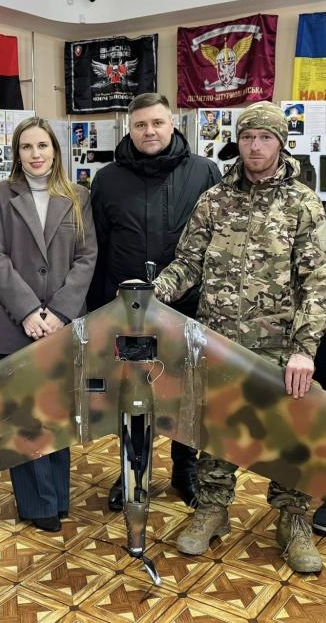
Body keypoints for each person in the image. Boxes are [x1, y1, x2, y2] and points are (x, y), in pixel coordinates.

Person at [154, 101, 326, 573]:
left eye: (265, 138)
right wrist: (153, 293)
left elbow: (319, 281)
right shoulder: (214, 200)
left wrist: (305, 350)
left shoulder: (302, 203)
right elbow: (188, 262)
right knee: (217, 427)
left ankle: (293, 520)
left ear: (281, 144)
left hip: (280, 348)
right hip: (220, 343)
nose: (255, 146)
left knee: (289, 433)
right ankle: (213, 509)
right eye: (248, 137)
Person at [87, 92, 221, 511]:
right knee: (132, 392)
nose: (149, 131)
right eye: (141, 124)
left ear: (172, 123)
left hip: (187, 304)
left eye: (157, 123)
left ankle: (185, 469)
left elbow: (217, 242)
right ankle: (132, 471)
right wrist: (97, 310)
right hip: (127, 311)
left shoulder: (203, 172)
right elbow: (97, 246)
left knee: (187, 392)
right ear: (129, 128)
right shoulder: (107, 179)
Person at [0, 117, 96, 532]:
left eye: (43, 146)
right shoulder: (0, 195)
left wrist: (60, 312)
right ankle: (36, 503)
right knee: (23, 416)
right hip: (15, 325)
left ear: (55, 150)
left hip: (63, 324)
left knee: (58, 414)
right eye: (26, 147)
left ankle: (57, 497)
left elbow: (86, 257)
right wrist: (29, 311)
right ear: (17, 153)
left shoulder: (78, 196)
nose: (35, 154)